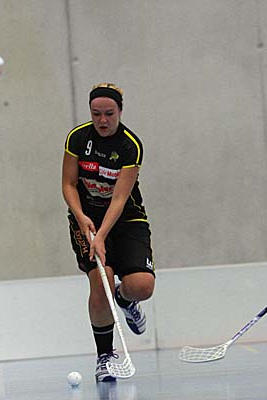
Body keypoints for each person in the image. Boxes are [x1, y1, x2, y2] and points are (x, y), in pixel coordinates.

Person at [62, 83, 156, 382]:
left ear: (120, 112)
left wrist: (102, 235)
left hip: (126, 218)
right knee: (100, 285)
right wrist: (81, 218)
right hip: (87, 218)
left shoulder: (131, 145)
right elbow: (68, 184)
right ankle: (105, 357)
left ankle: (125, 300)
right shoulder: (78, 138)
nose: (102, 120)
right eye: (96, 113)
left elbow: (119, 198)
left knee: (142, 286)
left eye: (109, 114)